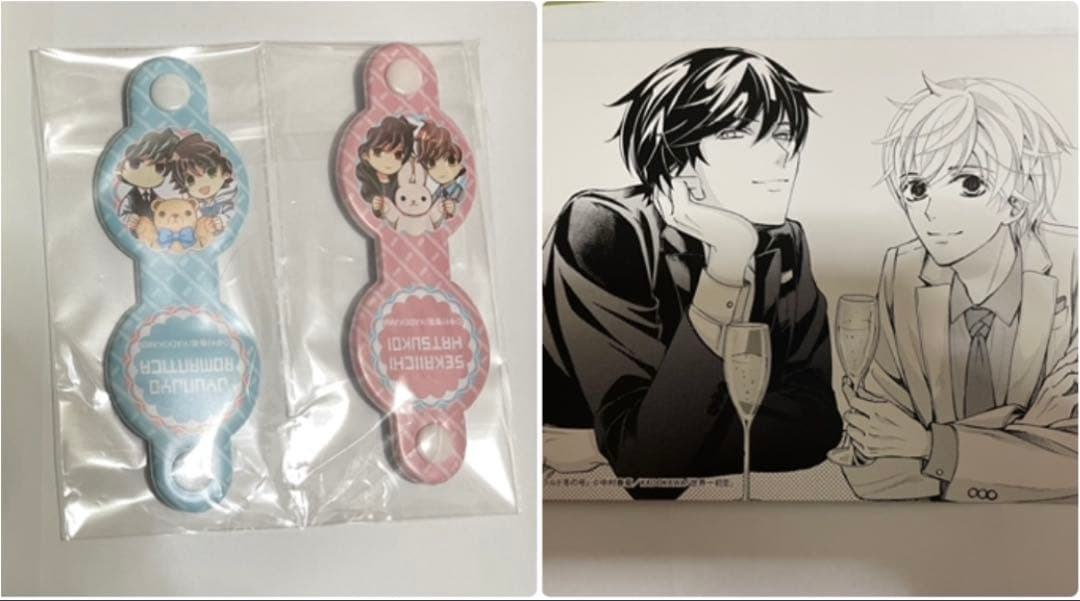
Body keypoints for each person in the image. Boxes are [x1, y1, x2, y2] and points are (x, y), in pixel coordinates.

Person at [542, 47, 843, 499]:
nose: (780, 155)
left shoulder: (786, 242)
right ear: (677, 156)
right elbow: (651, 471)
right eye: (737, 132)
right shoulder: (602, 228)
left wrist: (606, 445)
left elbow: (817, 424)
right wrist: (726, 266)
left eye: (782, 133)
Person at [839, 75, 1077, 502]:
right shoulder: (902, 272)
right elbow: (873, 463)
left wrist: (932, 445)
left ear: (1017, 199)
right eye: (917, 188)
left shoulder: (1072, 269)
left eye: (970, 184)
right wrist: (1013, 446)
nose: (931, 210)